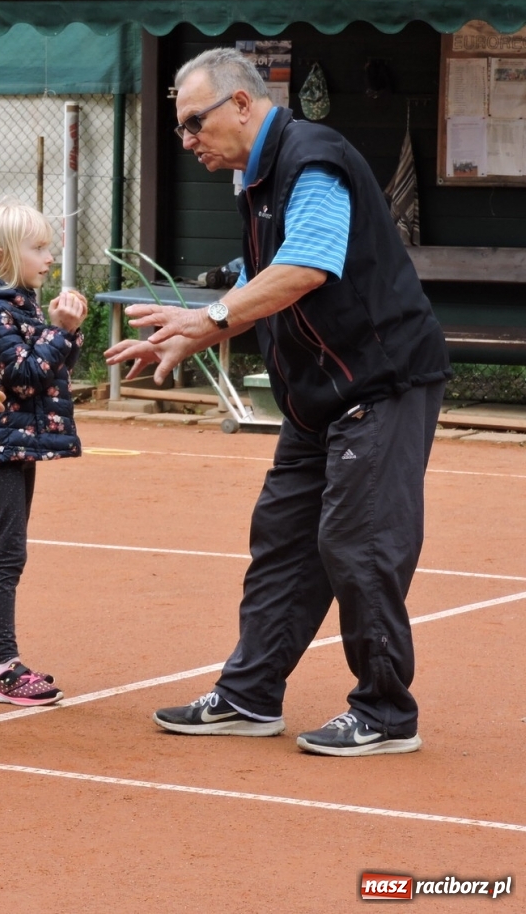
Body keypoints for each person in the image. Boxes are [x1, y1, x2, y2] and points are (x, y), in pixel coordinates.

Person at [107, 47, 449, 756]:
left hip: (380, 385)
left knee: (357, 544)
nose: (186, 140)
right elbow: (266, 271)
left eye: (193, 122)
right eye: (178, 129)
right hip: (315, 399)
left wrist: (212, 320)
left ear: (240, 103)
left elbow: (307, 265)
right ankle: (248, 695)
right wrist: (197, 328)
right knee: (283, 543)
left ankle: (385, 714)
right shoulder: (257, 177)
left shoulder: (308, 157)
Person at [0, 203, 86, 706]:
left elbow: (53, 366)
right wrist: (60, 332)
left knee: (9, 550)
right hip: (0, 442)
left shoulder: (19, 301)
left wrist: (65, 332)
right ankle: (3, 665)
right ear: (1, 254)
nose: (49, 257)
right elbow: (26, 375)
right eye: (38, 248)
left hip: (17, 440)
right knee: (8, 553)